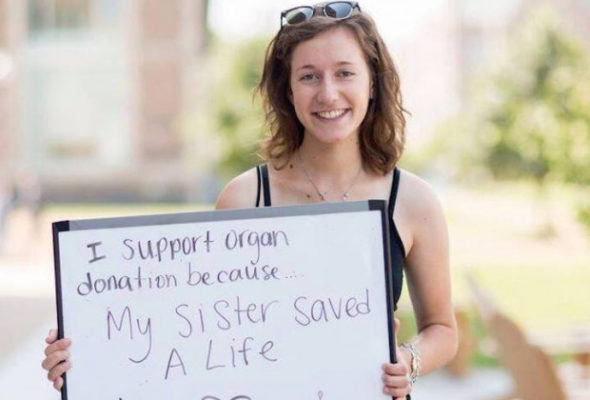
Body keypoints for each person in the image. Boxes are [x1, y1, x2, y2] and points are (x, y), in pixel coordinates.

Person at [42, 2, 457, 399]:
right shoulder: (244, 198)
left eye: (345, 73)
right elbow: (193, 335)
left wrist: (408, 359)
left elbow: (442, 328)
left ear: (372, 82)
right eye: (309, 76)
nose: (328, 93)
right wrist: (87, 360)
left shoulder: (413, 201)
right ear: (288, 92)